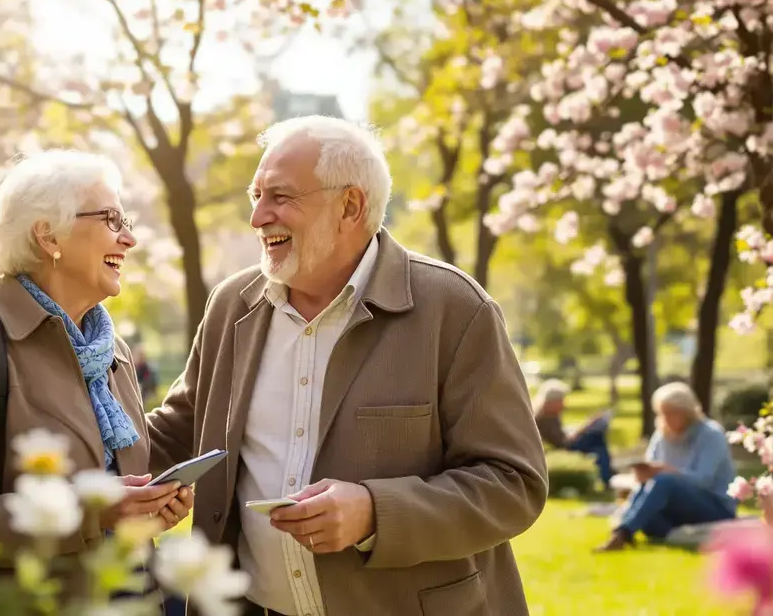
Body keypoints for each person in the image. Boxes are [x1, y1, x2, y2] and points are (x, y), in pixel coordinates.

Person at [146, 115, 548, 616]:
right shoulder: (232, 305)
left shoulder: (456, 309)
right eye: (256, 196)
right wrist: (82, 471)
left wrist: (374, 513)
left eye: (281, 197)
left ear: (350, 206)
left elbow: (513, 483)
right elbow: (180, 429)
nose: (257, 217)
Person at [0, 151, 193, 583]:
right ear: (49, 237)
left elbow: (117, 478)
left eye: (126, 221)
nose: (129, 239)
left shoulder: (112, 351)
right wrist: (87, 512)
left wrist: (147, 505)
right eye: (112, 220)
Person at [595, 381, 737, 552]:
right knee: (649, 514)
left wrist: (669, 472)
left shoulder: (711, 435)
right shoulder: (661, 433)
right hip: (676, 507)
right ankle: (626, 526)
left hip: (714, 506)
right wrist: (644, 475)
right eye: (664, 414)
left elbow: (704, 480)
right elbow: (652, 475)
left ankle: (622, 534)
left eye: (673, 413)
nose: (668, 419)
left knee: (665, 481)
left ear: (688, 413)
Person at [533, 378, 615, 487]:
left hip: (566, 444)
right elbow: (562, 443)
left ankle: (607, 477)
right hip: (565, 447)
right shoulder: (545, 417)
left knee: (598, 446)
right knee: (597, 438)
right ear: (552, 401)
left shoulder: (552, 415)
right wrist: (585, 427)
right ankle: (607, 477)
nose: (564, 403)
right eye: (561, 400)